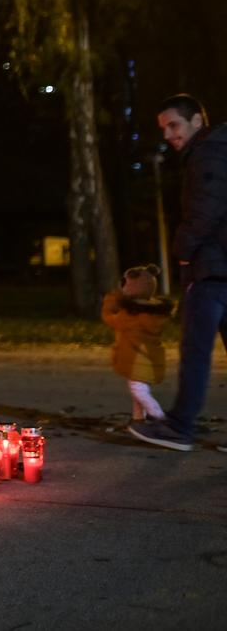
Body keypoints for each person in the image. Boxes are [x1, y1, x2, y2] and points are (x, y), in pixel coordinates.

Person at [129, 94, 227, 452]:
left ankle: (180, 427)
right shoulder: (217, 150)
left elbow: (207, 207)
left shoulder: (208, 154)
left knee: (196, 352)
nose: (168, 134)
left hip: (213, 270)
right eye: (164, 128)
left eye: (174, 125)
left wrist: (182, 249)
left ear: (197, 121)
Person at [102, 264, 172, 422]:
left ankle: (158, 415)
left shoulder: (132, 314)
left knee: (138, 390)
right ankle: (138, 418)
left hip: (136, 359)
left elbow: (110, 319)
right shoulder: (155, 311)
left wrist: (111, 300)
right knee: (140, 389)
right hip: (150, 360)